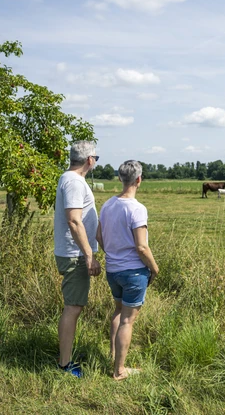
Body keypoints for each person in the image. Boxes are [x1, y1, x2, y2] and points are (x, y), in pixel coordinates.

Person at [96, 160, 159, 381]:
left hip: (113, 271)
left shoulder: (107, 205)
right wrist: (154, 268)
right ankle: (119, 370)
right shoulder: (137, 209)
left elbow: (99, 236)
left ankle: (114, 356)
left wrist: (112, 253)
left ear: (120, 178)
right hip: (133, 272)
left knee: (118, 312)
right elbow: (141, 246)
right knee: (127, 321)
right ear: (139, 179)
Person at [53, 140, 101, 377]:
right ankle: (64, 364)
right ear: (90, 160)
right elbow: (74, 220)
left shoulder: (70, 179)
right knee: (73, 307)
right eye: (96, 158)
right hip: (75, 254)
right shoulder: (73, 181)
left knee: (74, 305)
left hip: (74, 252)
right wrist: (89, 255)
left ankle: (66, 354)